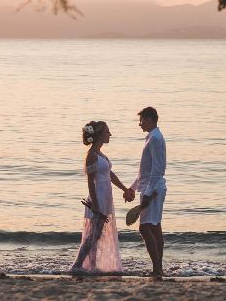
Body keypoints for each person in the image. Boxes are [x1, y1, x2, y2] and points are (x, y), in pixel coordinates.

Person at [71, 120, 132, 274]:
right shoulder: (91, 155)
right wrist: (95, 203)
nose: (109, 134)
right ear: (99, 135)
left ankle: (92, 264)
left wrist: (124, 188)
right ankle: (78, 264)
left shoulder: (101, 155)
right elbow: (91, 182)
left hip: (105, 197)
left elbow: (109, 175)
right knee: (93, 233)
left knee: (97, 234)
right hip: (97, 197)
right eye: (107, 131)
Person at [124, 107, 167, 278]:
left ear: (149, 119)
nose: (139, 124)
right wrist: (132, 188)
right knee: (154, 227)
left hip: (154, 188)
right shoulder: (152, 137)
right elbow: (145, 171)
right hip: (152, 186)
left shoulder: (155, 139)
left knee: (145, 227)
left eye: (141, 120)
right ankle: (158, 268)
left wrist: (148, 193)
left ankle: (157, 268)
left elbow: (157, 169)